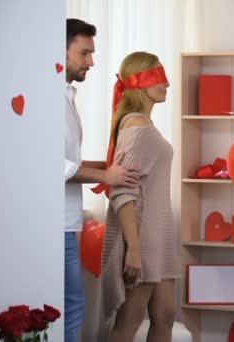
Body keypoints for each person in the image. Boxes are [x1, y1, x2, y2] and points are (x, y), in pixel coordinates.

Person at [65, 18, 140, 342]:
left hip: (68, 223)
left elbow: (71, 162)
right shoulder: (47, 100)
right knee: (72, 304)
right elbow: (47, 165)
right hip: (54, 225)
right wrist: (105, 175)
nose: (92, 61)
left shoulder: (67, 97)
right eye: (84, 53)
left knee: (68, 304)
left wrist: (106, 165)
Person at [99, 51, 179, 342]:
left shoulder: (143, 126)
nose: (167, 83)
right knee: (128, 325)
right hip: (143, 237)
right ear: (140, 83)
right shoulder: (137, 128)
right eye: (158, 76)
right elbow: (122, 190)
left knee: (165, 316)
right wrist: (133, 248)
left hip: (160, 236)